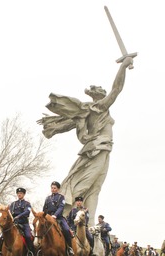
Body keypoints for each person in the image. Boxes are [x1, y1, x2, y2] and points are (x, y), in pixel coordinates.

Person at [37, 57, 135, 223]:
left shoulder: (90, 111)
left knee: (95, 188)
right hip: (96, 149)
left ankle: (89, 226)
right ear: (99, 96)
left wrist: (54, 126)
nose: (107, 96)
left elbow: (69, 123)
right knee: (83, 185)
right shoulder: (98, 107)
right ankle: (64, 218)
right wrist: (123, 67)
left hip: (103, 149)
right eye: (103, 94)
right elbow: (116, 89)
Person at [42, 181, 74, 256]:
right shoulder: (47, 198)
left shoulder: (61, 197)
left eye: (54, 188)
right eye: (52, 188)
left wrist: (55, 215)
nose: (53, 189)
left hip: (58, 218)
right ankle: (40, 249)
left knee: (66, 230)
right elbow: (44, 209)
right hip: (48, 218)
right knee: (40, 229)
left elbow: (61, 207)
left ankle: (69, 248)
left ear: (58, 189)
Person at [9, 187, 34, 256]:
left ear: (24, 194)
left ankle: (30, 252)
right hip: (14, 224)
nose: (19, 194)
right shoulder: (13, 204)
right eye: (18, 193)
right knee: (2, 236)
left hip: (24, 224)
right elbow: (10, 213)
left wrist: (18, 216)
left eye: (21, 193)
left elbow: (27, 212)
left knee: (28, 236)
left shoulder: (27, 204)